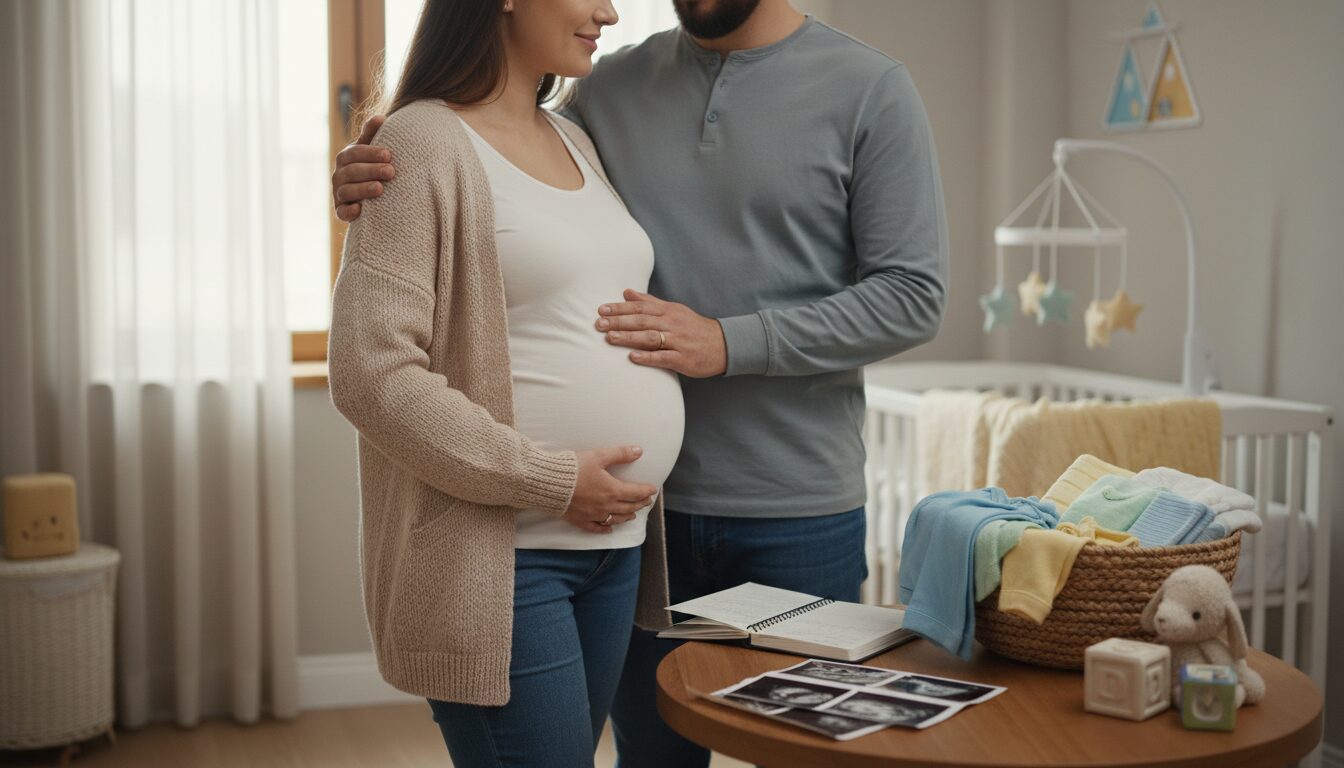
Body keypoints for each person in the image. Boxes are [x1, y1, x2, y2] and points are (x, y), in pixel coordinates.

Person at [332, 1, 948, 764]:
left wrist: (729, 342)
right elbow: (460, 184)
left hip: (780, 510)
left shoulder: (867, 88)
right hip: (638, 525)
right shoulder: (603, 91)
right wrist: (373, 171)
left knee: (809, 757)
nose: (610, 9)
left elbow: (914, 295)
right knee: (652, 758)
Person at [325, 1, 684, 766]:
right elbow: (370, 372)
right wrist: (553, 479)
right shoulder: (420, 141)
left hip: (614, 548)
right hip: (507, 557)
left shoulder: (575, 138)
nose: (610, 11)